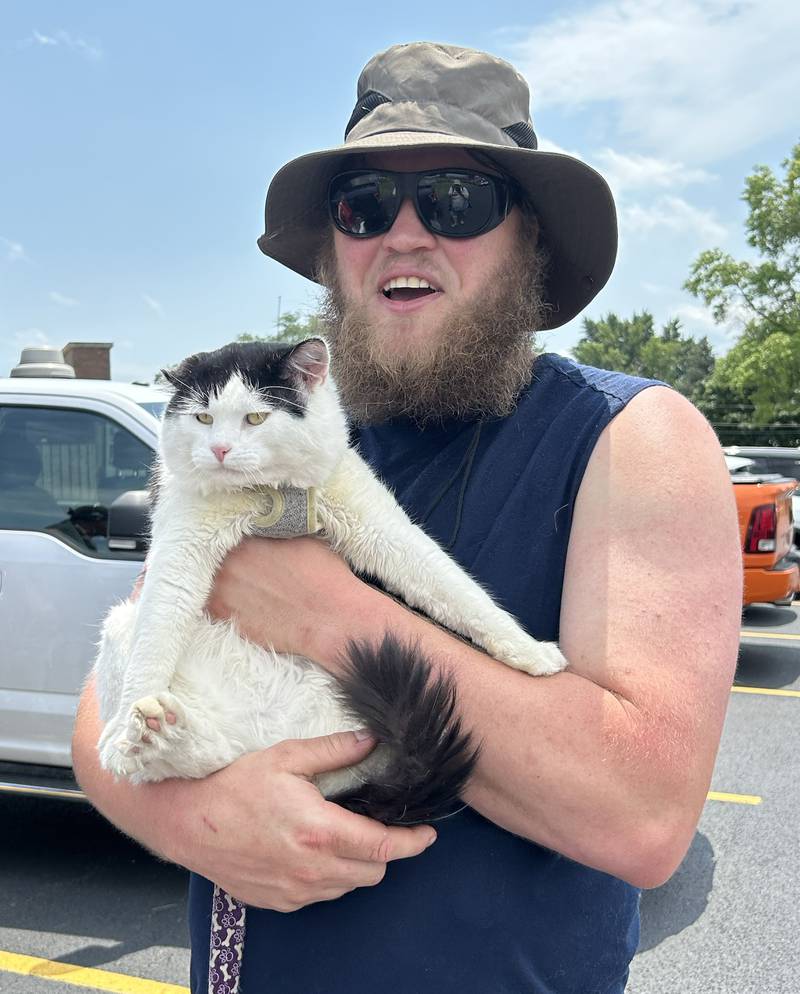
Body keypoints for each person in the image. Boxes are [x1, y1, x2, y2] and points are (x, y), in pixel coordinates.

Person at [72, 41, 742, 994]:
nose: (406, 234)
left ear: (531, 241)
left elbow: (639, 817)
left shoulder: (628, 437)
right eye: (365, 206)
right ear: (333, 247)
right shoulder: (269, 439)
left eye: (457, 201)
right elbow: (101, 724)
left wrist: (323, 614)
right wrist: (190, 820)